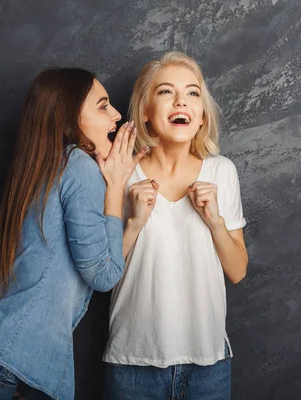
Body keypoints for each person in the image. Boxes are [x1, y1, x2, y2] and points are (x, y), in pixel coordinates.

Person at [0, 67, 145, 400]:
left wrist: (134, 221)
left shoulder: (43, 166)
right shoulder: (79, 167)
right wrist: (116, 187)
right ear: (70, 118)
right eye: (102, 105)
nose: (116, 115)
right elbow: (103, 274)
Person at [103, 52, 249, 400]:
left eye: (193, 93)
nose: (181, 100)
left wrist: (214, 221)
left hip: (209, 366)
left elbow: (238, 270)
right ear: (146, 113)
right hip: (132, 366)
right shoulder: (120, 174)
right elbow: (102, 275)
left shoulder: (222, 172)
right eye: (166, 91)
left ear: (201, 116)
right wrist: (135, 223)